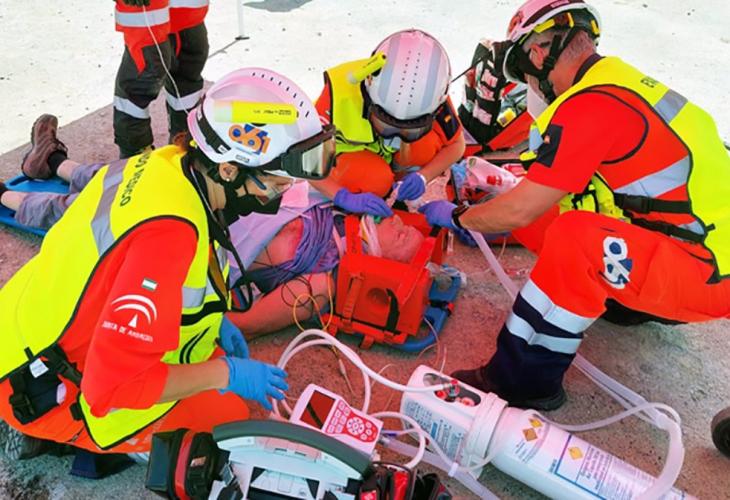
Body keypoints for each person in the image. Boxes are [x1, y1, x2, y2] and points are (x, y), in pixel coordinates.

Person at [0, 67, 337, 455]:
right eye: (275, 185)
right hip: (44, 385)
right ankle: (51, 434)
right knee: (226, 419)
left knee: (208, 367)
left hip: (26, 326)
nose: (279, 197)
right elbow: (110, 388)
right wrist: (225, 374)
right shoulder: (168, 239)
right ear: (229, 170)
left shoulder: (169, 163)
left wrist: (215, 322)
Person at [419, 0, 730, 411]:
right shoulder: (618, 82)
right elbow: (547, 199)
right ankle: (625, 302)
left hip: (710, 274)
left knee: (574, 239)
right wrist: (498, 208)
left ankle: (522, 379)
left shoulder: (589, 105)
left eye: (525, 76)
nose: (530, 87)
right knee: (551, 216)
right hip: (697, 246)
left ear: (538, 53)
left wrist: (461, 217)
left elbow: (520, 209)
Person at [1, 151, 425, 338]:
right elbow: (304, 168)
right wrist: (341, 193)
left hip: (204, 229)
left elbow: (249, 323)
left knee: (97, 216)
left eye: (405, 238)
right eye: (406, 225)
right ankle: (55, 162)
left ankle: (8, 198)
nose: (402, 224)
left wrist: (210, 331)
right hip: (218, 193)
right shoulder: (342, 205)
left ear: (388, 266)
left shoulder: (325, 282)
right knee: (130, 174)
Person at [311, 29, 465, 217]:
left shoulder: (431, 95)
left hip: (391, 160)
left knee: (425, 146)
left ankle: (401, 180)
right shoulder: (337, 94)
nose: (395, 140)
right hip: (354, 156)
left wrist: (424, 176)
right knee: (376, 181)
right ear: (369, 101)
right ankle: (376, 181)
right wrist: (341, 196)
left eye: (410, 131)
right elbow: (306, 161)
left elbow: (457, 145)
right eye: (386, 126)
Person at [113, 0, 209, 157]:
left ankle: (182, 145)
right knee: (141, 82)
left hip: (189, 13)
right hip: (146, 13)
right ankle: (135, 155)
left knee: (187, 72)